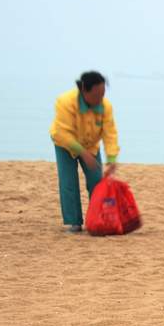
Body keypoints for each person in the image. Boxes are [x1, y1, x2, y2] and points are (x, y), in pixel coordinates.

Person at [49, 71, 120, 232]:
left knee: (96, 181)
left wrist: (112, 158)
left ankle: (96, 219)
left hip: (91, 145)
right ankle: (74, 222)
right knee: (68, 182)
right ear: (84, 90)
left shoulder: (105, 106)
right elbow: (62, 132)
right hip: (65, 144)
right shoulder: (65, 102)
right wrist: (81, 152)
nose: (100, 98)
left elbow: (110, 133)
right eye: (96, 94)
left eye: (103, 93)